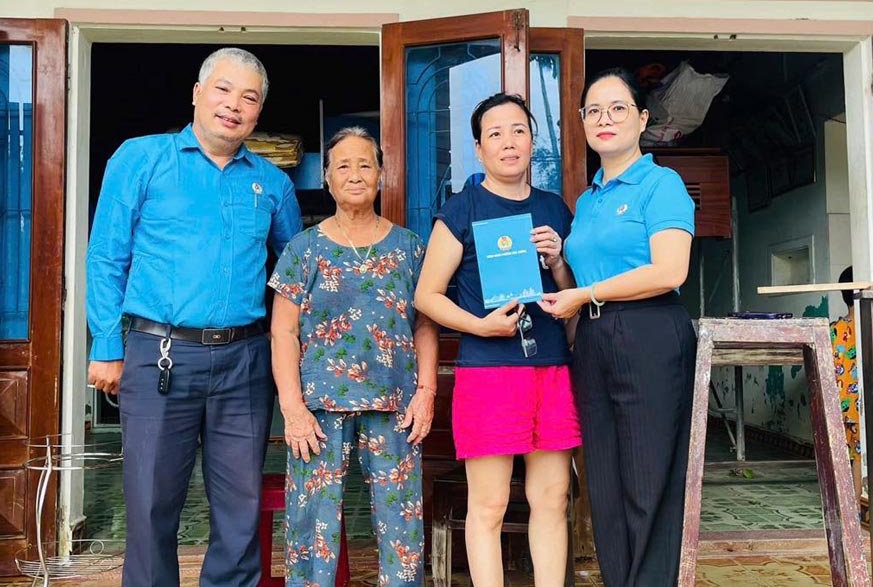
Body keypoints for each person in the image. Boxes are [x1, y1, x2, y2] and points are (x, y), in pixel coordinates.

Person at [86, 47, 303, 586]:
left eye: (248, 98)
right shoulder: (140, 158)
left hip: (245, 361)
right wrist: (106, 343)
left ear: (258, 113)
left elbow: (297, 273)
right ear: (197, 94)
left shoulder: (273, 184)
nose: (233, 106)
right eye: (223, 90)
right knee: (151, 504)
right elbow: (106, 255)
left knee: (239, 508)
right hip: (158, 354)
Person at [414, 93, 580, 587]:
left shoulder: (554, 208)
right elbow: (427, 295)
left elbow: (572, 296)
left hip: (551, 366)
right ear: (479, 149)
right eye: (495, 134)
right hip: (489, 371)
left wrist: (557, 262)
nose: (509, 142)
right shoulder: (461, 209)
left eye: (519, 131)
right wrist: (480, 325)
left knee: (552, 499)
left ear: (533, 141)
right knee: (488, 505)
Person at [539, 67, 696, 587]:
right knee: (604, 483)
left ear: (641, 118)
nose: (605, 119)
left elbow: (669, 271)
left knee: (649, 478)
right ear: (582, 123)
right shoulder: (588, 200)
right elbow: (583, 279)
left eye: (618, 108)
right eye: (594, 111)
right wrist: (561, 262)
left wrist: (583, 293)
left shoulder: (660, 183)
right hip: (595, 338)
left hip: (650, 333)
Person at [269, 127, 439, 587]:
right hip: (318, 411)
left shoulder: (409, 247)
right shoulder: (303, 249)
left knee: (400, 523)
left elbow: (425, 323)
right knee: (311, 525)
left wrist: (426, 392)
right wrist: (292, 408)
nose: (355, 174)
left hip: (396, 407)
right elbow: (282, 331)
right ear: (327, 178)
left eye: (366, 164)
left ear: (382, 175)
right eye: (343, 165)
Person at [830, 266, 863, 499]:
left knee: (843, 454)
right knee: (861, 456)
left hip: (840, 404)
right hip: (862, 406)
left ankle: (843, 502)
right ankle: (857, 506)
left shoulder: (833, 330)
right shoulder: (870, 327)